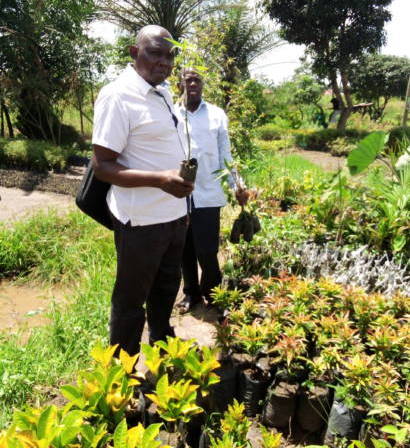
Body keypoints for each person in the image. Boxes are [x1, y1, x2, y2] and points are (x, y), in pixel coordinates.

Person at [92, 25, 194, 356]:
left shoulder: (163, 92)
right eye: (155, 53)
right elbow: (102, 165)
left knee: (166, 289)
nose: (164, 62)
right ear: (134, 53)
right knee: (131, 300)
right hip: (141, 222)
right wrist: (160, 179)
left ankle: (162, 346)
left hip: (175, 216)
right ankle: (123, 371)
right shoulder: (118, 95)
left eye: (170, 55)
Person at [176, 69, 248, 313]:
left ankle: (213, 294)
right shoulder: (173, 114)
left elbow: (224, 154)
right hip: (178, 194)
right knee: (184, 250)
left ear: (203, 85)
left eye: (197, 80)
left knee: (207, 250)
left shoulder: (217, 115)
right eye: (188, 80)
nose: (193, 83)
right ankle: (191, 294)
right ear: (180, 85)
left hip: (207, 193)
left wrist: (237, 185)